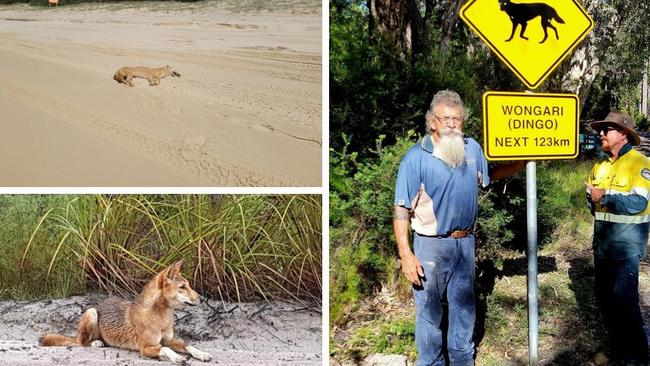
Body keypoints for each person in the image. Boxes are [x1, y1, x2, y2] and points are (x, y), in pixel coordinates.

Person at [393, 90, 523, 365]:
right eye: (445, 118)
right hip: (430, 246)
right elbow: (401, 209)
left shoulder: (471, 148)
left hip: (465, 244)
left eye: (457, 118)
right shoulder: (415, 158)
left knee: (464, 309)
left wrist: (521, 164)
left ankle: (463, 360)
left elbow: (489, 175)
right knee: (429, 314)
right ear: (432, 122)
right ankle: (431, 362)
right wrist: (406, 255)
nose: (452, 124)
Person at [586, 111, 649, 365]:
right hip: (602, 246)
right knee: (604, 299)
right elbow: (592, 200)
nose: (601, 134)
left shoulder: (640, 163)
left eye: (607, 129)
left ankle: (637, 358)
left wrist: (605, 198)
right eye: (601, 130)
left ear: (622, 134)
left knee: (625, 303)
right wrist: (592, 198)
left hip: (626, 247)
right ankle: (620, 349)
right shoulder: (599, 165)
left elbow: (638, 202)